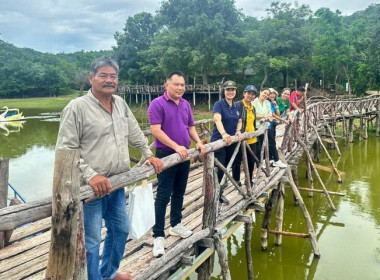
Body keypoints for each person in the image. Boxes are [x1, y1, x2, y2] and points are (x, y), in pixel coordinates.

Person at [56, 56, 163, 280]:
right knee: (92, 240)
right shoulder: (76, 108)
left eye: (113, 76)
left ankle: (109, 273)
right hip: (90, 189)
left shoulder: (120, 103)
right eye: (103, 75)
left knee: (120, 230)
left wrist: (148, 153)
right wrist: (91, 174)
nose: (109, 80)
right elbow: (66, 149)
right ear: (91, 78)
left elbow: (134, 130)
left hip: (117, 184)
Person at [148, 71, 206, 257]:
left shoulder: (185, 104)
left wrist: (197, 141)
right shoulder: (157, 104)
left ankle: (176, 224)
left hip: (184, 155)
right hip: (166, 155)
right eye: (176, 84)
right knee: (163, 195)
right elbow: (156, 130)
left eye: (183, 85)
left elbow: (190, 127)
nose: (180, 88)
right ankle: (158, 235)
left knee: (180, 191)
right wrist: (176, 146)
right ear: (166, 85)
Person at [210, 80, 243, 205]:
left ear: (235, 91)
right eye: (228, 90)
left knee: (226, 168)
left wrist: (238, 131)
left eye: (233, 90)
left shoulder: (237, 105)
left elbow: (239, 120)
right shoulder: (219, 104)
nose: (230, 92)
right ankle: (215, 195)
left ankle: (219, 192)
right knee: (219, 169)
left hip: (231, 142)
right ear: (223, 91)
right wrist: (224, 134)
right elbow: (217, 120)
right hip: (219, 141)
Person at [252, 88, 286, 168]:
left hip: (267, 125)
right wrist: (265, 116)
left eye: (267, 94)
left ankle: (276, 160)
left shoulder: (267, 102)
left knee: (271, 142)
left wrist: (267, 116)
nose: (266, 95)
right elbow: (254, 115)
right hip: (258, 127)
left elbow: (270, 113)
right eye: (264, 93)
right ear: (260, 92)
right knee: (260, 145)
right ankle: (262, 161)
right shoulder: (254, 103)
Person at [234, 85, 259, 185]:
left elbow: (253, 122)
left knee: (250, 161)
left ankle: (248, 180)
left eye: (253, 94)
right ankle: (236, 180)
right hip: (240, 138)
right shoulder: (237, 105)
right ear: (244, 93)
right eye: (248, 93)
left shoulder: (253, 108)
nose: (250, 96)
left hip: (252, 139)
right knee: (237, 161)